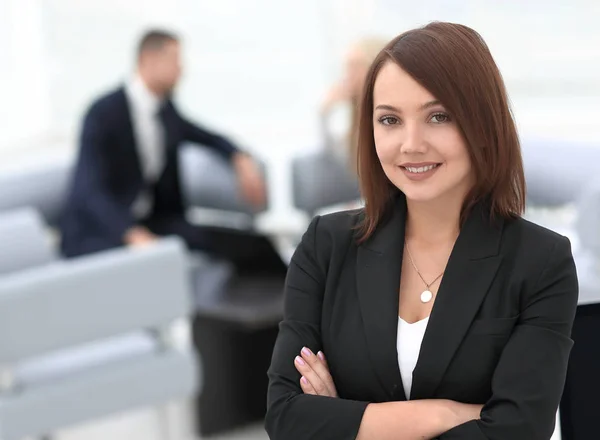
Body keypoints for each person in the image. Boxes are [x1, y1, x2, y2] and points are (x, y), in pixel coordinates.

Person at [265, 21, 578, 440]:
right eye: (390, 120)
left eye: (438, 116)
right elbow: (286, 416)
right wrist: (443, 415)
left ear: (482, 124)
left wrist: (348, 420)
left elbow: (518, 429)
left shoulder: (541, 262)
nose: (411, 143)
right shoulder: (326, 245)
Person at [60, 30, 285, 274]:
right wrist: (131, 234)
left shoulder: (165, 111)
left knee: (254, 247)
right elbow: (89, 190)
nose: (182, 70)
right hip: (104, 231)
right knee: (151, 265)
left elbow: (207, 136)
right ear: (148, 60)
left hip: (156, 223)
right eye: (175, 60)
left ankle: (298, 303)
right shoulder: (103, 114)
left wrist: (240, 158)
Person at [320, 36, 388, 171]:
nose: (347, 75)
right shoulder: (356, 114)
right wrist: (325, 114)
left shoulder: (386, 112)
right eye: (347, 67)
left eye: (355, 66)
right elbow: (338, 157)